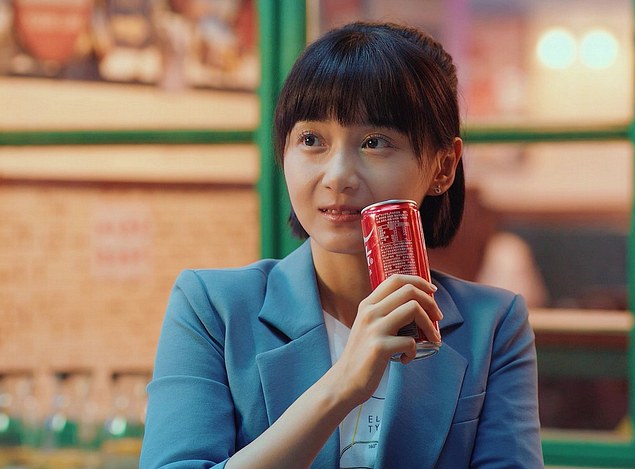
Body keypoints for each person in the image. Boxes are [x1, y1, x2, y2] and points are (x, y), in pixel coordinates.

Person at [140, 21, 543, 468]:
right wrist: (341, 387)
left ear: (443, 167)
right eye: (311, 140)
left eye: (374, 142)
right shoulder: (212, 308)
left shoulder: (493, 325)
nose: (337, 176)